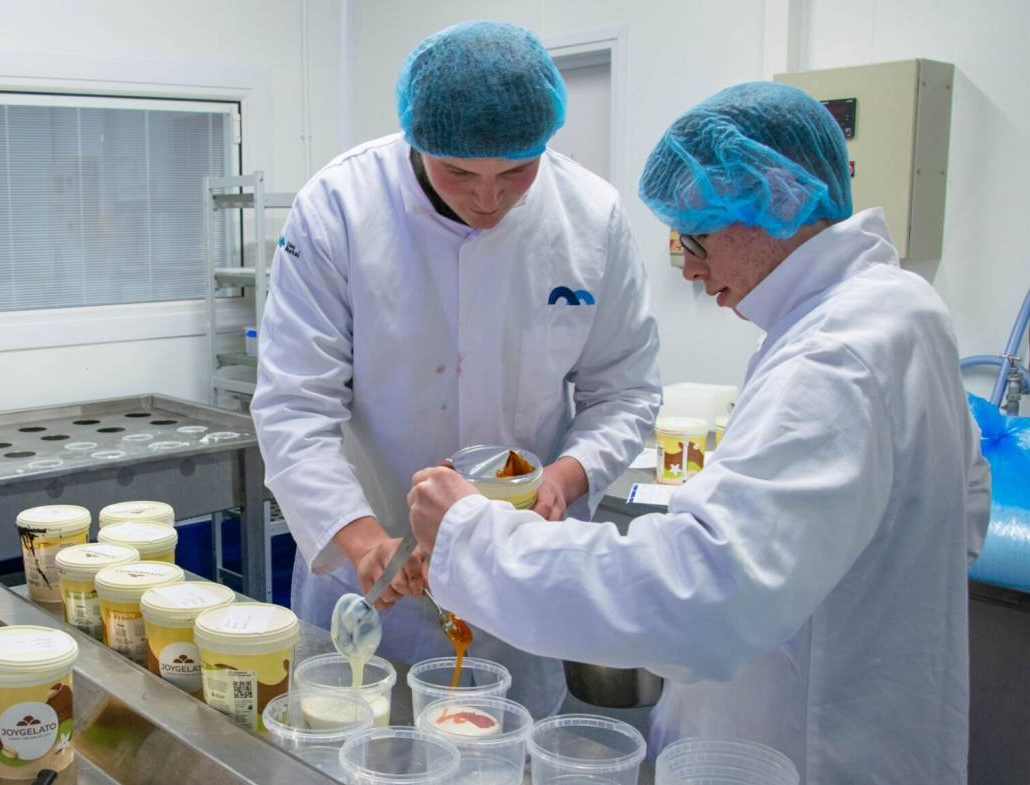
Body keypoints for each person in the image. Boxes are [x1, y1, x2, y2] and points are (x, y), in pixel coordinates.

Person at [408, 82, 990, 784]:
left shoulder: (834, 356)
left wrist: (473, 534)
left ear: (777, 203)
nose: (688, 266)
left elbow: (698, 592)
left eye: (698, 236)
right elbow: (966, 518)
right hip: (870, 728)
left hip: (806, 752)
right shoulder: (904, 310)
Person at [251, 20, 661, 718]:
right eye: (459, 173)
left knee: (505, 742)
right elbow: (294, 407)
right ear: (418, 140)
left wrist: (567, 475)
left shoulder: (591, 216)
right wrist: (364, 543)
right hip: (374, 568)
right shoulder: (341, 208)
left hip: (519, 566)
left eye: (516, 173)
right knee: (358, 739)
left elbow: (624, 390)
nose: (488, 199)